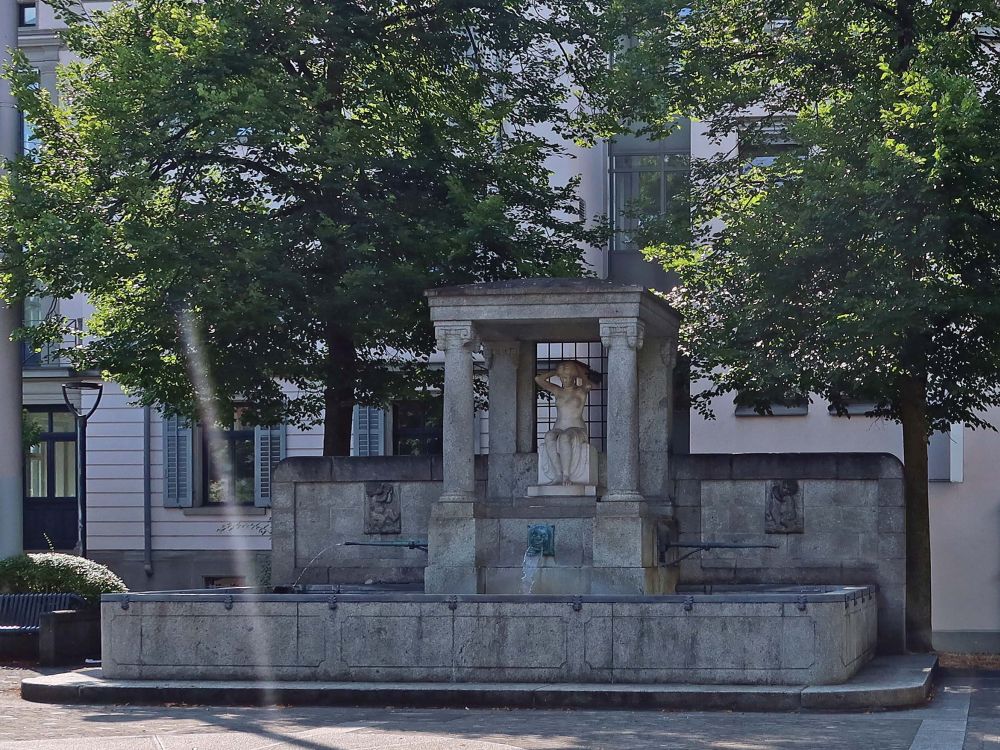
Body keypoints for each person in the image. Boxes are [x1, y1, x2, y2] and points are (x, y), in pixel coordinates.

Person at [534, 360, 597, 485]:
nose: (564, 380)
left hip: (577, 428)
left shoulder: (580, 391)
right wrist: (556, 372)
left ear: (574, 377)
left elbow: (589, 384)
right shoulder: (558, 391)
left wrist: (577, 370)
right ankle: (558, 474)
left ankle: (566, 475)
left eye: (567, 377)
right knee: (549, 436)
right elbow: (538, 379)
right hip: (559, 427)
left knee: (564, 437)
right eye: (562, 378)